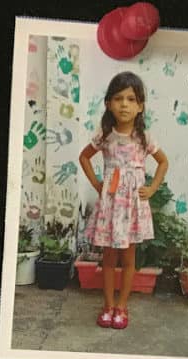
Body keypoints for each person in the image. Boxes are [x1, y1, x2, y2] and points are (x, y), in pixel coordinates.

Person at [79, 71, 169, 330]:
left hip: (131, 206)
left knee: (129, 258)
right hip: (110, 205)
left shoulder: (144, 138)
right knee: (108, 258)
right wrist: (98, 184)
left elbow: (163, 162)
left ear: (140, 106)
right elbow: (84, 157)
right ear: (109, 103)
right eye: (118, 98)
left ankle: (122, 307)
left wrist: (151, 189)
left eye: (131, 99)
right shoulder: (105, 135)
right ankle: (107, 306)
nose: (125, 104)